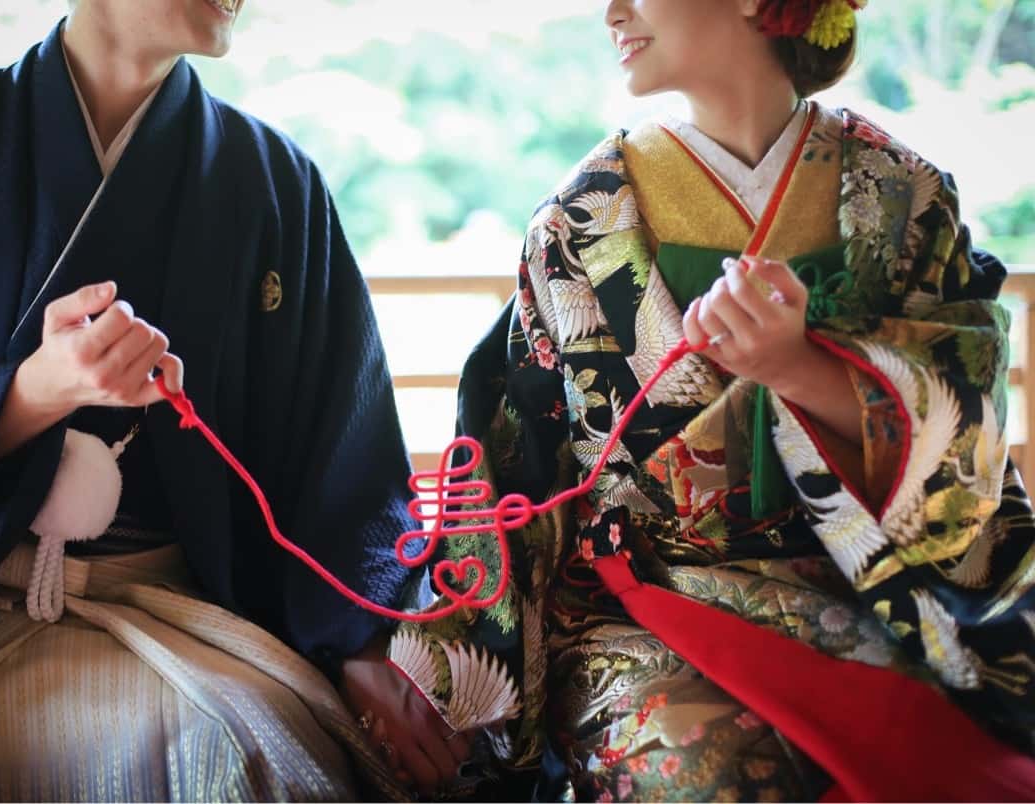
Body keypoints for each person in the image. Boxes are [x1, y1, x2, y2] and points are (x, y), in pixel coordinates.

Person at [354, 0, 1035, 800]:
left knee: (953, 774)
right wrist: (441, 663)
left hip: (870, 595)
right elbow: (519, 465)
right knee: (704, 777)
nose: (611, 12)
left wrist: (801, 369)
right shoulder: (579, 219)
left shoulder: (904, 196)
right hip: (645, 606)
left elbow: (967, 441)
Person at [0, 0, 428, 799]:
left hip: (173, 610)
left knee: (251, 769)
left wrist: (362, 642)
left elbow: (341, 464)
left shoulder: (273, 182)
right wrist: (26, 395)